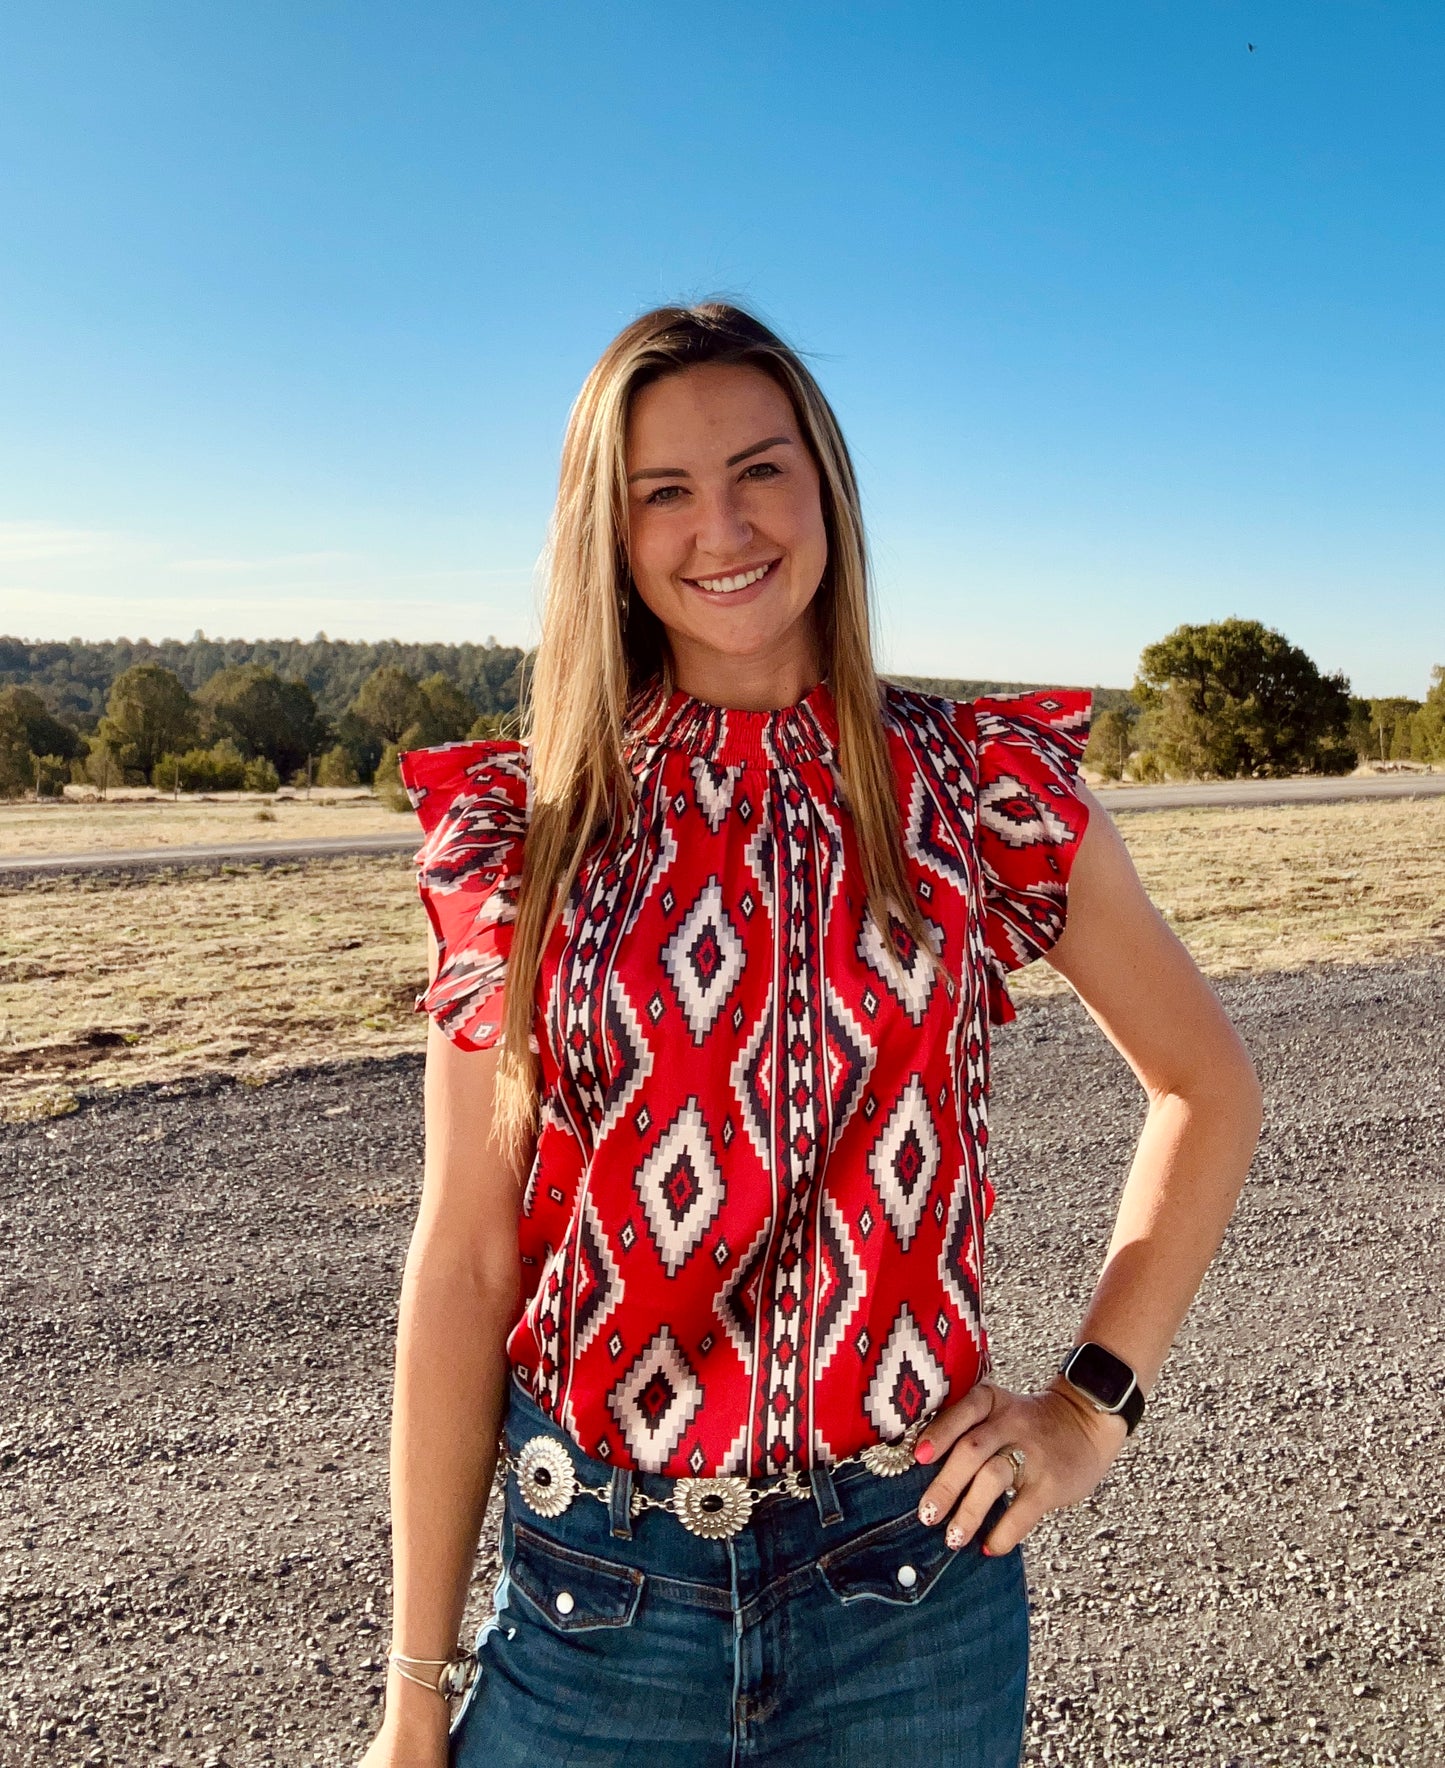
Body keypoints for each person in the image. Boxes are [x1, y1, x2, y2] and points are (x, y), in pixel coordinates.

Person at [358, 303, 1262, 1768]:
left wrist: (1089, 1410)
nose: (721, 525)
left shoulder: (977, 790)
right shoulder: (519, 834)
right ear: (611, 531)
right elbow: (465, 1254)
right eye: (662, 490)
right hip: (596, 1597)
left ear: (825, 488)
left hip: (906, 1591)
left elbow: (1204, 1084)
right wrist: (412, 1690)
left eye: (759, 470)